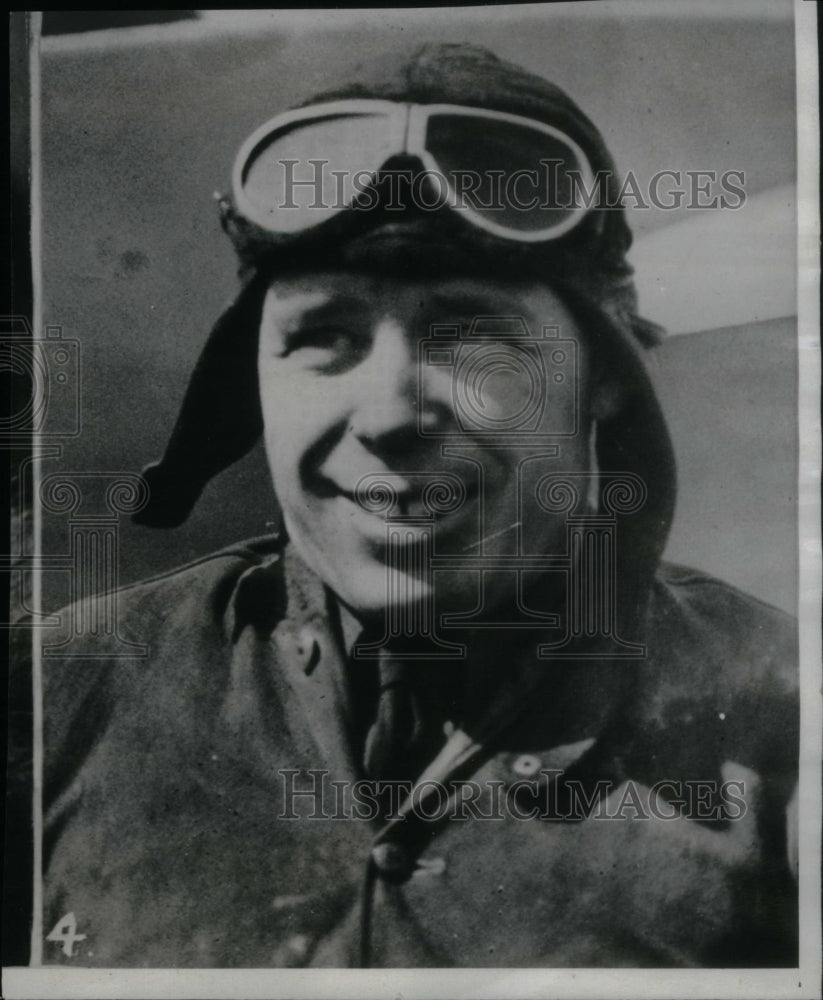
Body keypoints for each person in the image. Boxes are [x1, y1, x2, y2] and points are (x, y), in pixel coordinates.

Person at [40, 43, 797, 968]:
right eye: (324, 336)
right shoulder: (55, 700)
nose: (391, 414)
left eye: (472, 335)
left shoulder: (786, 722)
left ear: (603, 372)